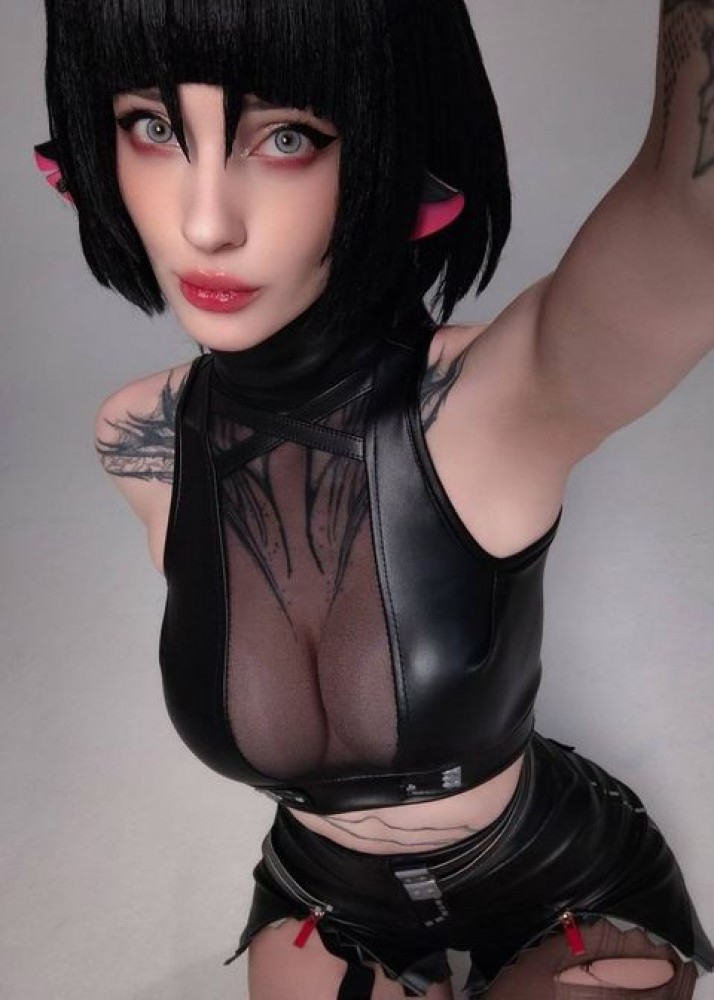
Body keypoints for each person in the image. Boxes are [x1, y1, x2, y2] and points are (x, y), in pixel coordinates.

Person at [37, 0, 714, 997]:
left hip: (557, 875)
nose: (205, 222)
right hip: (326, 895)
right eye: (154, 127)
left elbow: (690, 215)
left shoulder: (492, 402)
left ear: (391, 146)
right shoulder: (139, 440)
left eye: (286, 137)